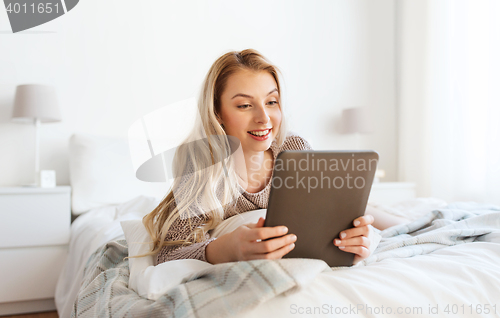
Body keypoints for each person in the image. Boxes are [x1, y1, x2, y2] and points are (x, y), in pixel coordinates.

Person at [143, 49, 407, 266]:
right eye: (245, 105)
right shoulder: (200, 166)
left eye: (271, 102)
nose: (264, 118)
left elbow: (325, 214)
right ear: (218, 113)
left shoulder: (293, 148)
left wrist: (365, 238)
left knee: (402, 223)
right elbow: (168, 255)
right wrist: (226, 249)